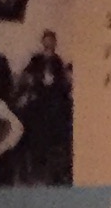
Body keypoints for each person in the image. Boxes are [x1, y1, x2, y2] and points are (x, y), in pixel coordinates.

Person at [15, 29, 74, 186]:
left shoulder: (58, 61)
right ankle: (35, 168)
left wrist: (56, 83)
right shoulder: (35, 59)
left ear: (55, 43)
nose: (49, 43)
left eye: (51, 40)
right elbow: (26, 77)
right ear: (42, 42)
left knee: (57, 127)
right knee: (33, 129)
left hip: (53, 102)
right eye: (46, 40)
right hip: (37, 99)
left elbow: (63, 85)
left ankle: (53, 170)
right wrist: (36, 80)